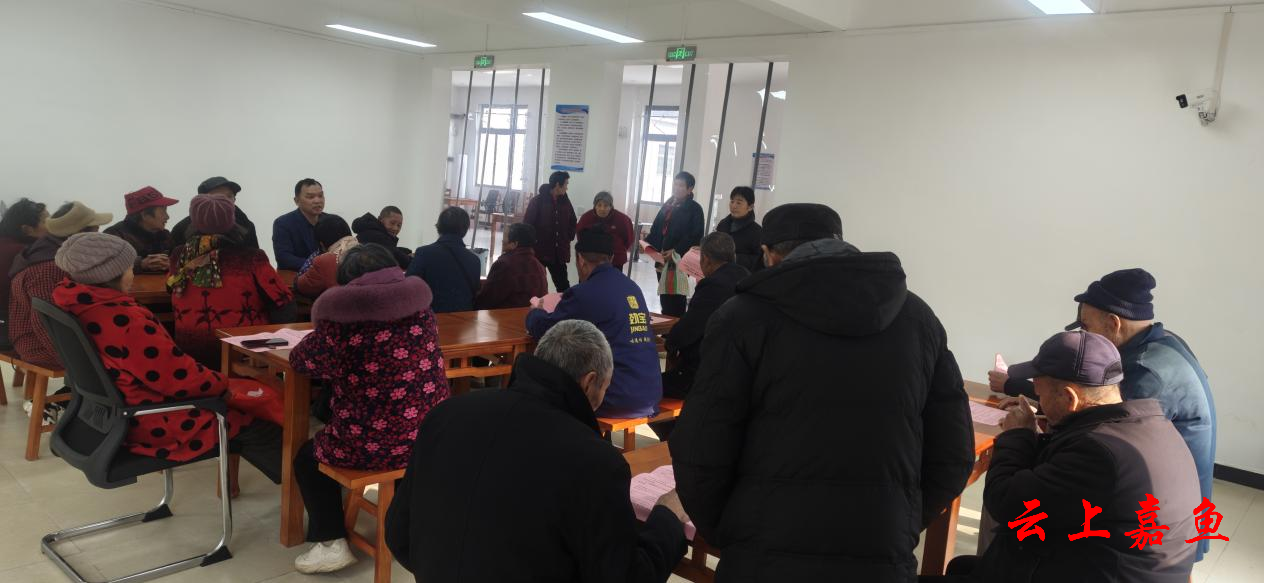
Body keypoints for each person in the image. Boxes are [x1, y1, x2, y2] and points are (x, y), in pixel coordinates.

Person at [669, 203, 974, 581]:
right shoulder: (918, 319)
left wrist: (728, 529)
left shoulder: (742, 319)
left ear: (769, 254)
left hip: (764, 553)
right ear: (841, 243)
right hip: (880, 553)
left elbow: (700, 447)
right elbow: (955, 453)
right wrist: (902, 522)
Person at [385, 320, 689, 582]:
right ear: (589, 382)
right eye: (605, 388)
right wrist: (668, 518)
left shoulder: (445, 415)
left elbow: (398, 534)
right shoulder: (594, 461)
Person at [989, 268, 1217, 560]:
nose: (1084, 336)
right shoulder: (1162, 344)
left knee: (1020, 497)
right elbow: (1086, 397)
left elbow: (1092, 423)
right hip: (1173, 500)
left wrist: (1022, 435)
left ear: (1113, 323)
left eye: (1086, 327)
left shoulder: (1145, 374)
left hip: (1157, 514)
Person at [937, 331, 1200, 583]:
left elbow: (1004, 502)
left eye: (1040, 394)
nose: (1038, 400)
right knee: (963, 566)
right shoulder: (1155, 427)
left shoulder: (1099, 454)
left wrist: (1018, 435)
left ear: (1069, 397)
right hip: (1114, 565)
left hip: (1097, 571)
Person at [50, 232, 282, 480]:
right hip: (152, 420)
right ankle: (297, 492)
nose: (133, 273)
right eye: (129, 267)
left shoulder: (73, 302)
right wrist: (224, 384)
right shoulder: (125, 321)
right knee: (260, 421)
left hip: (109, 414)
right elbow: (180, 379)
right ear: (112, 273)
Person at [288, 244, 450, 574]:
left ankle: (331, 543)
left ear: (347, 282)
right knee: (404, 445)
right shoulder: (422, 312)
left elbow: (301, 361)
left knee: (307, 458)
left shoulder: (341, 322)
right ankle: (408, 526)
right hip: (429, 439)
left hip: (370, 443)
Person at [525, 229, 661, 419]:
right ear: (611, 258)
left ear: (580, 260)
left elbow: (546, 332)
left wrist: (535, 313)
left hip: (612, 396)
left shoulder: (583, 293)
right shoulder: (632, 288)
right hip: (650, 394)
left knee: (544, 383)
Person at [169, 194, 295, 369]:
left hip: (191, 353)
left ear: (194, 221)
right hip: (244, 353)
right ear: (231, 220)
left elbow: (171, 288)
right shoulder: (251, 257)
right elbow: (282, 301)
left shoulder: (179, 255)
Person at [9, 202, 112, 369]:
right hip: (38, 346)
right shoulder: (49, 268)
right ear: (79, 234)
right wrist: (81, 367)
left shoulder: (49, 252)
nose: (98, 237)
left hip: (62, 339)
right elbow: (47, 323)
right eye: (95, 231)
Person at [661, 232, 748, 400]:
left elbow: (689, 328)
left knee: (649, 386)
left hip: (708, 373)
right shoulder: (745, 277)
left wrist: (670, 343)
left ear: (706, 260)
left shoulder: (713, 285)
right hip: (739, 369)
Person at [645, 171, 705, 317]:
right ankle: (666, 322)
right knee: (664, 294)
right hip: (662, 257)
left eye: (681, 185)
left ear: (690, 189)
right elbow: (657, 227)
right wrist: (650, 244)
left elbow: (695, 236)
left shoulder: (694, 209)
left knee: (676, 296)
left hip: (679, 260)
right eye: (675, 184)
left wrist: (676, 250)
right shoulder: (668, 204)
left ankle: (676, 324)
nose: (676, 188)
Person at [406, 207, 481, 313]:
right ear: (465, 230)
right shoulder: (475, 260)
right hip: (464, 319)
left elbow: (408, 288)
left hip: (431, 318)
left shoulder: (424, 253)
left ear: (439, 226)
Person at [0, 198, 48, 349]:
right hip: (11, 332)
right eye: (46, 221)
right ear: (27, 229)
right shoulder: (25, 254)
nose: (52, 226)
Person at [169, 176, 259, 251]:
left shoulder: (246, 225)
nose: (226, 200)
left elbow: (256, 260)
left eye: (230, 196)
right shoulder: (182, 228)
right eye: (219, 196)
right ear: (203, 199)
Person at [104, 186, 179, 274]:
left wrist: (172, 264)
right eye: (163, 211)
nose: (167, 217)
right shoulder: (114, 236)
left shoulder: (165, 235)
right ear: (145, 215)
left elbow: (177, 262)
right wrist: (140, 264)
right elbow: (105, 267)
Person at [523, 171, 577, 292]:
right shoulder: (538, 201)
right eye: (566, 184)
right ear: (558, 185)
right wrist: (533, 243)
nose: (567, 187)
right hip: (540, 252)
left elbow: (573, 220)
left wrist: (568, 236)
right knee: (536, 285)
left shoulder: (565, 201)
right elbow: (527, 225)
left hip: (558, 253)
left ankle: (564, 305)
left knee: (563, 286)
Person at [474, 223, 548, 310]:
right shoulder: (540, 266)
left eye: (505, 237)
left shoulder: (504, 265)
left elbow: (485, 301)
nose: (502, 241)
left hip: (506, 316)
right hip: (533, 316)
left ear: (514, 244)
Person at [295, 216, 358, 299]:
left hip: (342, 305)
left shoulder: (325, 261)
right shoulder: (369, 251)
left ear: (321, 244)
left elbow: (302, 286)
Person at [273, 178, 330, 270]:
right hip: (296, 275)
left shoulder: (332, 221)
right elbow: (284, 258)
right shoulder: (283, 223)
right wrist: (317, 266)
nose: (317, 201)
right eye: (310, 197)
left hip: (329, 274)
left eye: (320, 196)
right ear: (296, 201)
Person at [575, 191, 635, 269]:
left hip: (615, 260)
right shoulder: (586, 218)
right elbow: (580, 237)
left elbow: (629, 239)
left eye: (606, 206)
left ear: (611, 206)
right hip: (592, 260)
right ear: (595, 206)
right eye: (599, 205)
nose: (602, 209)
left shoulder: (622, 219)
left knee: (613, 277)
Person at [714, 186, 763, 273]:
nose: (733, 206)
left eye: (739, 203)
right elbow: (714, 244)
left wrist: (735, 258)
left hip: (741, 275)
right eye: (732, 201)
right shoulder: (723, 224)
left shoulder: (757, 231)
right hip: (719, 271)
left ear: (750, 207)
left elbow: (760, 260)